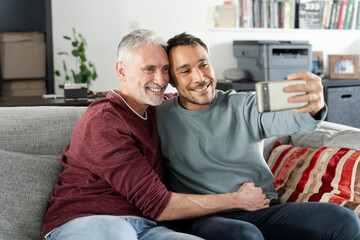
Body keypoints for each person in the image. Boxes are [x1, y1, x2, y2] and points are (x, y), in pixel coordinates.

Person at [41, 29, 272, 240]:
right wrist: (236, 199)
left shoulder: (158, 111)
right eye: (149, 69)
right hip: (88, 221)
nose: (160, 81)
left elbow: (196, 97)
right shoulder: (103, 121)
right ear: (122, 70)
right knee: (117, 233)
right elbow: (158, 204)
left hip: (148, 227)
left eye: (164, 70)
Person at [156, 32, 360, 240]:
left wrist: (313, 107)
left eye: (203, 65)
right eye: (185, 71)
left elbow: (290, 119)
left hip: (263, 210)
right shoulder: (160, 118)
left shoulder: (244, 105)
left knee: (343, 220)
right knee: (245, 234)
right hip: (206, 218)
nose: (199, 78)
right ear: (172, 79)